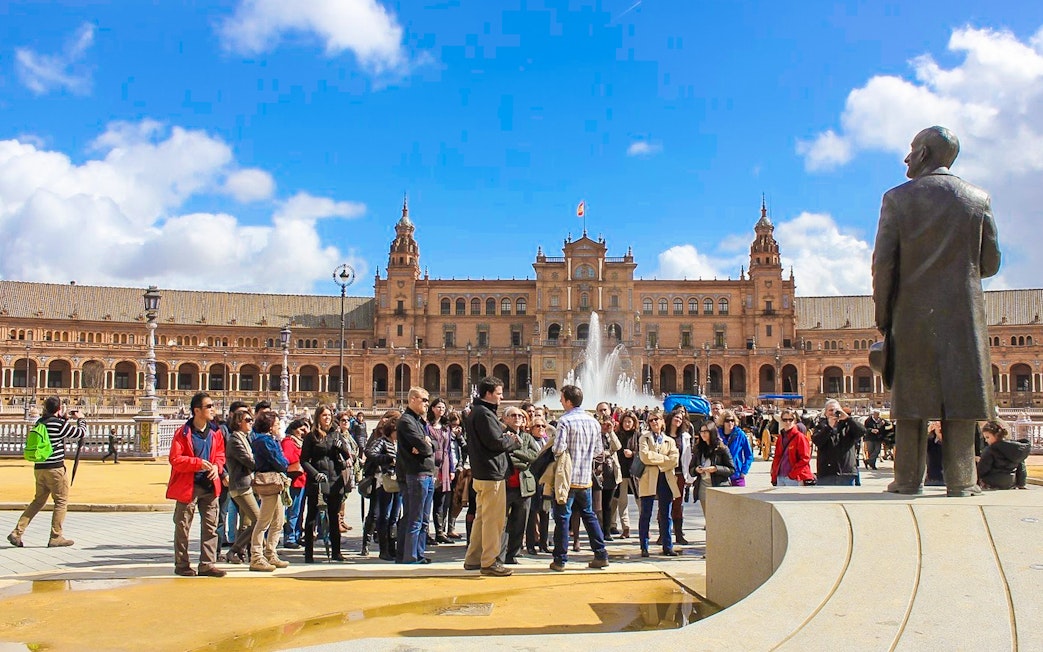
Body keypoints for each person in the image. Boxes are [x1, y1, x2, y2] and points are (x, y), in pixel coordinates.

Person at [873, 126, 1001, 497]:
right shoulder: (978, 199)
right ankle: (962, 481)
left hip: (911, 316)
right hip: (963, 316)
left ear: (925, 153)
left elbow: (885, 264)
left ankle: (907, 480)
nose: (907, 157)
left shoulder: (897, 199)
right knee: (960, 398)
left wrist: (884, 317)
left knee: (911, 402)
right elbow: (990, 263)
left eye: (912, 150)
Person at [7, 396, 87, 548]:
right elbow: (80, 433)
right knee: (61, 501)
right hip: (55, 468)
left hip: (40, 468)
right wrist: (81, 419)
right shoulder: (58, 424)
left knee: (38, 501)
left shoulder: (40, 422)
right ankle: (56, 536)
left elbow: (56, 431)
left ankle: (17, 532)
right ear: (58, 409)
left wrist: (63, 419)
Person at [463, 376, 521, 577]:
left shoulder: (477, 412)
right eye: (498, 393)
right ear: (488, 394)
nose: (502, 397)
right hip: (492, 474)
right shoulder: (485, 415)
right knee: (493, 521)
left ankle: (473, 558)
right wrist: (511, 441)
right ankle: (489, 562)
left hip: (482, 473)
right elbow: (495, 443)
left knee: (481, 518)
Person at [165, 392, 227, 577]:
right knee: (183, 525)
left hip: (209, 484)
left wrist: (217, 467)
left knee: (210, 526)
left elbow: (220, 455)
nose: (213, 409)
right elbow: (175, 459)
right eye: (209, 406)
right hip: (189, 485)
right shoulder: (183, 433)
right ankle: (182, 564)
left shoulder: (216, 432)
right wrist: (197, 463)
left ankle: (207, 564)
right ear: (197, 410)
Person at [550, 385, 610, 572]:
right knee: (589, 516)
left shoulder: (564, 421)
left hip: (566, 479)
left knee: (562, 517)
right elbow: (599, 451)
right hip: (585, 479)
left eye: (562, 398)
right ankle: (601, 554)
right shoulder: (593, 421)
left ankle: (560, 560)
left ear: (568, 401)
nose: (560, 401)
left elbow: (558, 448)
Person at [301, 404, 349, 563]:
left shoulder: (336, 435)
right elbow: (304, 460)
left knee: (334, 517)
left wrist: (341, 447)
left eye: (329, 415)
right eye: (324, 415)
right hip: (318, 481)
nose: (327, 418)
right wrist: (315, 474)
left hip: (334, 479)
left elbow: (347, 455)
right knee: (312, 518)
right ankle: (309, 553)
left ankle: (336, 551)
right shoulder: (311, 437)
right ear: (318, 418)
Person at [395, 387, 435, 564]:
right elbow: (425, 447)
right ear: (412, 399)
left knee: (424, 519)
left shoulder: (420, 421)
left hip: (426, 473)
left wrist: (427, 444)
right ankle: (409, 556)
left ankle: (418, 553)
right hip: (415, 474)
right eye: (423, 400)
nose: (427, 403)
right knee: (414, 518)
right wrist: (425, 445)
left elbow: (433, 443)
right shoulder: (406, 421)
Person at [249, 411, 290, 571]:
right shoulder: (264, 441)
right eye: (277, 424)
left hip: (275, 483)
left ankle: (270, 552)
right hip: (269, 482)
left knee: (278, 521)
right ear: (270, 426)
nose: (279, 426)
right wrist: (284, 462)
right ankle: (256, 556)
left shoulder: (270, 440)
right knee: (264, 522)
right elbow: (280, 461)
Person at [500, 407, 540, 564]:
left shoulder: (527, 438)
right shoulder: (502, 436)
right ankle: (500, 553)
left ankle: (513, 554)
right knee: (501, 523)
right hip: (506, 484)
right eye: (513, 415)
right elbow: (503, 457)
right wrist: (521, 458)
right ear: (506, 419)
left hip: (524, 485)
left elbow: (534, 456)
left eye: (520, 416)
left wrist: (515, 453)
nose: (517, 418)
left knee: (520, 522)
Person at [636, 413, 680, 557]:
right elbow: (644, 456)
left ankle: (667, 546)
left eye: (657, 419)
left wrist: (657, 460)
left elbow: (674, 460)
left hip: (665, 478)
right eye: (651, 420)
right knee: (645, 513)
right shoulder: (644, 437)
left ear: (662, 421)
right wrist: (664, 459)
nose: (654, 422)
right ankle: (644, 546)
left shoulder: (669, 440)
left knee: (665, 513)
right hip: (648, 478)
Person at [223, 409, 259, 565]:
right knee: (259, 520)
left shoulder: (244, 438)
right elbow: (249, 462)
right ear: (239, 422)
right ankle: (235, 549)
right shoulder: (235, 441)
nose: (251, 423)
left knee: (247, 523)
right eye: (248, 420)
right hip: (240, 485)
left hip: (246, 483)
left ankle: (239, 552)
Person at [366, 410, 402, 561]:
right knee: (384, 515)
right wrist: (387, 459)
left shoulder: (398, 443)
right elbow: (369, 453)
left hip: (398, 482)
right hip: (385, 481)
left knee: (394, 516)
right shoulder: (383, 441)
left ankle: (392, 547)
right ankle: (383, 548)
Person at [810, 400, 865, 486]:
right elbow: (817, 441)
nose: (833, 413)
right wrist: (829, 427)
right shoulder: (821, 426)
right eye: (830, 410)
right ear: (825, 413)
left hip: (846, 472)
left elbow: (862, 432)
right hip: (826, 473)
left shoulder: (848, 425)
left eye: (836, 410)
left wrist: (848, 418)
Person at [691, 420, 735, 520]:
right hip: (703, 487)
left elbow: (731, 469)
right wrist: (696, 470)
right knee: (709, 519)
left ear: (712, 432)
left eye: (706, 431)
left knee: (720, 519)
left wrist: (716, 469)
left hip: (719, 486)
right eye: (701, 432)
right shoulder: (698, 449)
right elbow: (691, 469)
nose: (703, 434)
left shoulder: (722, 448)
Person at [427, 397, 456, 545]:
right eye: (438, 407)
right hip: (431, 465)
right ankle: (425, 533)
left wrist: (452, 468)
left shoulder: (446, 427)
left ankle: (440, 531)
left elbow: (449, 450)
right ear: (432, 408)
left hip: (444, 466)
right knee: (427, 500)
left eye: (443, 408)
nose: (441, 410)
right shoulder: (426, 426)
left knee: (441, 501)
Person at [665, 409, 694, 545]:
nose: (678, 420)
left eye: (681, 418)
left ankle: (678, 534)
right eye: (676, 417)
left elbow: (687, 457)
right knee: (664, 504)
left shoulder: (685, 436)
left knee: (678, 504)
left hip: (680, 474)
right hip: (665, 474)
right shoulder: (663, 435)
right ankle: (664, 534)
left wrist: (689, 477)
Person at [613, 411, 642, 538]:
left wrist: (633, 453)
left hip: (635, 472)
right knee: (622, 501)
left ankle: (643, 527)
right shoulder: (618, 435)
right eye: (625, 421)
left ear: (634, 423)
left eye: (629, 421)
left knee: (640, 500)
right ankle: (626, 527)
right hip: (621, 472)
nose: (627, 424)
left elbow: (643, 453)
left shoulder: (639, 436)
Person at [280, 418, 308, 549]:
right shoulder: (289, 442)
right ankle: (289, 537)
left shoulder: (300, 443)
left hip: (302, 480)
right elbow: (286, 459)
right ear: (293, 429)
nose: (304, 432)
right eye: (302, 429)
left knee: (299, 510)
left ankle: (297, 535)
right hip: (294, 480)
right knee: (293, 510)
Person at [978, 421, 1031, 490]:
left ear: (996, 435)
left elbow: (982, 469)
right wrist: (1021, 484)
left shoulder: (990, 450)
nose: (986, 440)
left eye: (987, 437)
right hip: (1011, 482)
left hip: (992, 482)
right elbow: (1021, 468)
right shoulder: (1015, 448)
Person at [770, 409, 815, 487]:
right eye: (785, 420)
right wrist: (774, 472)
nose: (787, 422)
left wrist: (792, 474)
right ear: (781, 421)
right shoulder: (781, 437)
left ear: (794, 421)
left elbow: (805, 459)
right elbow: (777, 456)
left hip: (794, 477)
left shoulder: (800, 437)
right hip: (780, 476)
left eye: (790, 420)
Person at [718, 409, 753, 487]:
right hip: (721, 474)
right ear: (723, 422)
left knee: (740, 498)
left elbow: (749, 455)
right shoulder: (717, 435)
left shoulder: (740, 434)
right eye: (727, 421)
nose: (730, 423)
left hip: (737, 474)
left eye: (732, 420)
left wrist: (744, 471)